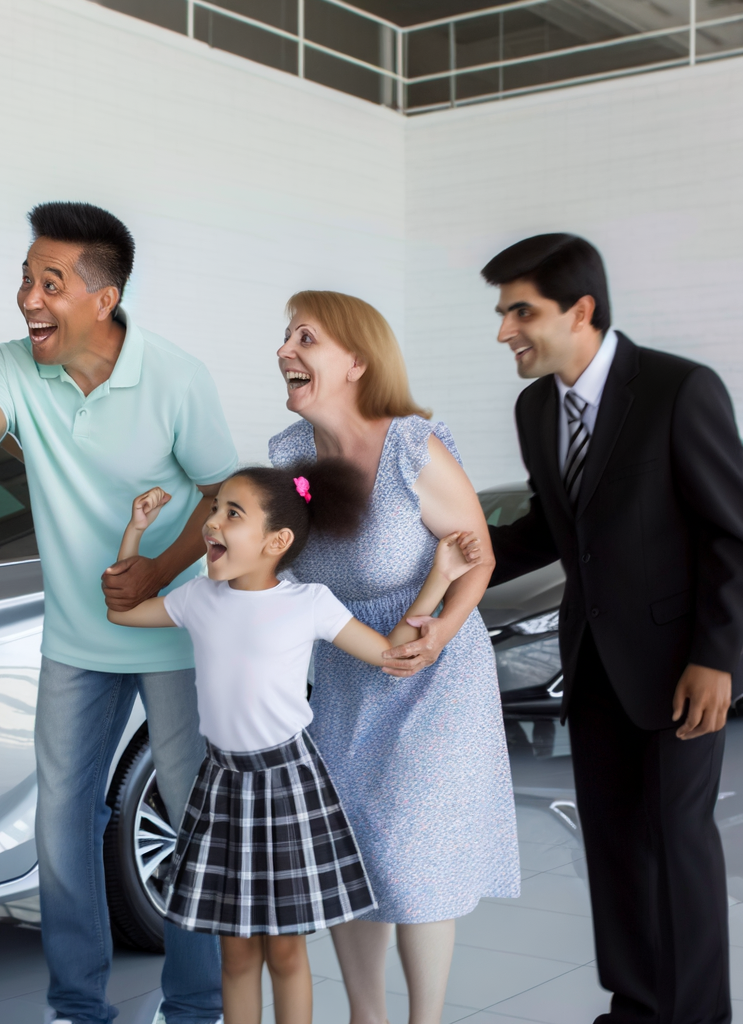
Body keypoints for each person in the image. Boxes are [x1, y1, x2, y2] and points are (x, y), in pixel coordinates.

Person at [0, 202, 236, 1024]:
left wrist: (157, 575)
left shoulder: (176, 378)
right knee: (61, 826)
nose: (30, 297)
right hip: (76, 640)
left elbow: (223, 495)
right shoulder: (13, 368)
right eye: (27, 278)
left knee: (192, 820)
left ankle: (197, 1006)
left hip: (174, 639)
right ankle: (77, 1005)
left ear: (103, 299)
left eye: (51, 283)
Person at [108, 464, 484, 1024]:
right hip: (222, 786)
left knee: (285, 950)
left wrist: (438, 577)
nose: (212, 522)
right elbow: (121, 609)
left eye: (232, 513)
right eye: (215, 510)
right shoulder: (197, 598)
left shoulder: (309, 601)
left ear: (276, 542)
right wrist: (136, 531)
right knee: (234, 951)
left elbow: (389, 654)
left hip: (288, 784)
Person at [483, 233, 743, 1024]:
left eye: (520, 312)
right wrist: (452, 565)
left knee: (677, 842)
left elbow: (730, 534)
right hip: (593, 664)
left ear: (581, 309)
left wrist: (714, 657)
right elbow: (553, 528)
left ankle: (695, 1015)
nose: (504, 332)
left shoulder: (678, 389)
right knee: (614, 845)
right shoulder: (536, 409)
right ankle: (636, 1005)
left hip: (678, 670)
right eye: (501, 313)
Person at [267, 291, 520, 1024]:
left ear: (355, 361)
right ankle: (367, 1016)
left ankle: (425, 1019)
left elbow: (477, 556)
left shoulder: (413, 446)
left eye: (305, 337)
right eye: (285, 336)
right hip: (348, 671)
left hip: (432, 669)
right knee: (354, 845)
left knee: (413, 846)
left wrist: (438, 632)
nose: (287, 349)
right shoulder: (293, 458)